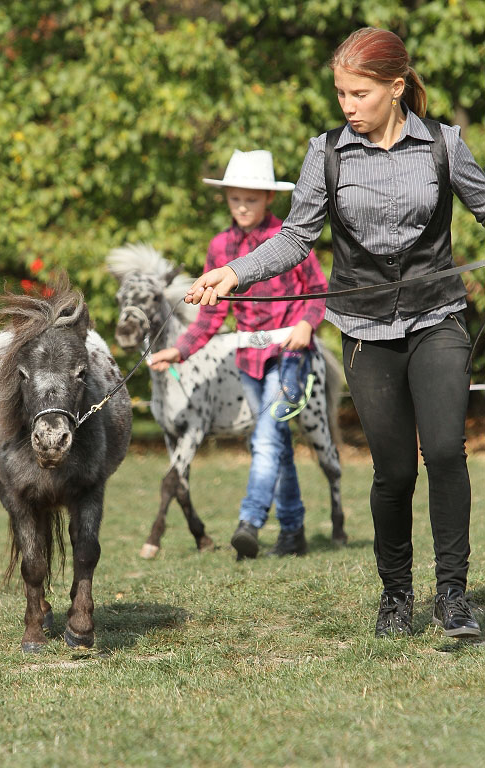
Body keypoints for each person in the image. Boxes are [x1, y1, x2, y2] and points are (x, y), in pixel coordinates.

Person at [186, 27, 485, 639]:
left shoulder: (444, 146)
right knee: (396, 470)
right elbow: (297, 236)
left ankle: (453, 596)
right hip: (365, 328)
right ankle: (396, 596)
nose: (347, 106)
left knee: (448, 454)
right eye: (341, 94)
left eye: (360, 93)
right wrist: (233, 274)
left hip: (437, 317)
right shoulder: (326, 154)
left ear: (395, 87)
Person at [150, 149, 328, 559]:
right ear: (227, 199)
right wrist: (178, 351)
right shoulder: (220, 246)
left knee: (265, 438)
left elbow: (318, 291)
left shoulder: (290, 237)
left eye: (251, 198)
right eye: (235, 198)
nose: (243, 206)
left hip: (290, 354)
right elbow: (211, 318)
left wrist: (307, 324)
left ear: (269, 199)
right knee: (275, 442)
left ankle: (249, 521)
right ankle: (294, 529)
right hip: (248, 358)